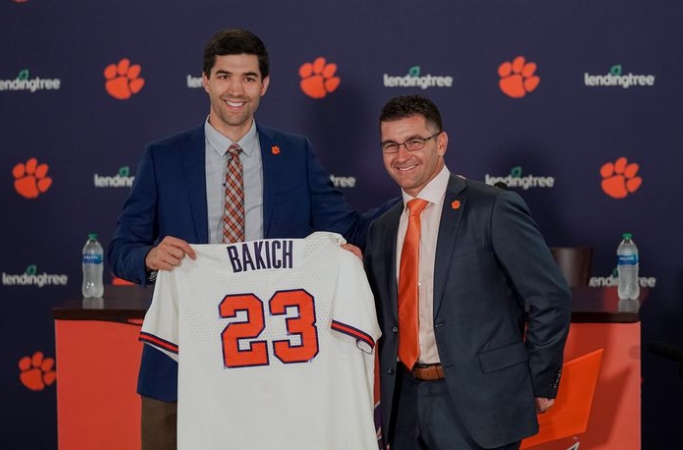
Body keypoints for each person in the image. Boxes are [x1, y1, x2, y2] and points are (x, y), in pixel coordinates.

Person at [109, 28, 388, 450]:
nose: (236, 89)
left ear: (265, 84)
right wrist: (148, 257)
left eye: (249, 78)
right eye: (224, 76)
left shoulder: (294, 154)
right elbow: (120, 250)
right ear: (205, 80)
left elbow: (347, 228)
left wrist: (413, 201)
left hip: (276, 371)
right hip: (183, 369)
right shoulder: (164, 157)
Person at [364, 95, 571, 450]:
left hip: (482, 406)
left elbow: (550, 298)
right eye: (390, 145)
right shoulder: (382, 228)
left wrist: (535, 382)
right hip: (406, 406)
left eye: (414, 141)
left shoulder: (492, 208)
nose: (402, 155)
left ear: (440, 143)